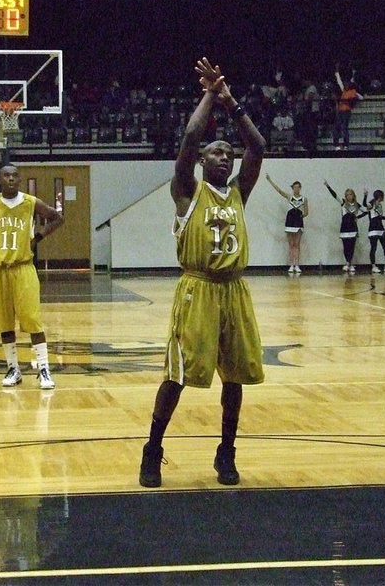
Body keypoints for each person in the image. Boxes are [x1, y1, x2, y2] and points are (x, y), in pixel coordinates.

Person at [139, 58, 266, 488]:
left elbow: (259, 147)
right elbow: (191, 136)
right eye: (218, 151)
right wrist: (211, 93)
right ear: (202, 160)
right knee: (178, 375)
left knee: (235, 376)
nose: (225, 156)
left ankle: (226, 452)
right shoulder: (187, 190)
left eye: (228, 152)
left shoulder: (237, 193)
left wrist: (233, 102)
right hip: (198, 290)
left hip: (234, 291)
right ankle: (153, 449)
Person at [0, 164, 64, 389]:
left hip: (23, 267)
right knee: (4, 323)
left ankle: (44, 369)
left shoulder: (30, 202)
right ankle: (13, 368)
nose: (11, 179)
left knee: (33, 320)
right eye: (6, 175)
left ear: (20, 180)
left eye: (15, 176)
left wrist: (37, 237)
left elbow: (57, 218)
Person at [266, 176, 308, 273]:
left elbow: (306, 212)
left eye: (298, 187)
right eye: (294, 187)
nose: (296, 189)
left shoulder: (304, 199)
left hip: (298, 222)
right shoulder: (289, 197)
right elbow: (279, 191)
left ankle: (297, 265)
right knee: (291, 245)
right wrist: (270, 180)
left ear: (300, 188)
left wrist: (300, 216)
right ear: (292, 188)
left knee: (297, 245)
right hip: (290, 221)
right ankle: (291, 264)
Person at [324, 180, 363, 272]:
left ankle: (351, 263)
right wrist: (328, 186)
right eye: (347, 195)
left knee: (352, 246)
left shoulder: (357, 205)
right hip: (345, 227)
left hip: (353, 227)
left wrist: (357, 217)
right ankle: (347, 262)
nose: (349, 196)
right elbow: (335, 195)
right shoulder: (343, 203)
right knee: (346, 246)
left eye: (350, 194)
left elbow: (365, 211)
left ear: (353, 195)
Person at [361, 189, 385, 273]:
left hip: (380, 228)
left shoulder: (380, 205)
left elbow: (380, 217)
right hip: (373, 229)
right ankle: (373, 266)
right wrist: (365, 195)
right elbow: (364, 204)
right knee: (373, 248)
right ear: (380, 197)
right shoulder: (371, 204)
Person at [333, 64, 363, 150]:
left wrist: (347, 100)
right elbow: (339, 82)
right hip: (340, 111)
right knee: (337, 128)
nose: (345, 85)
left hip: (346, 112)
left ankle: (346, 145)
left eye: (347, 84)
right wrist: (337, 71)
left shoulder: (352, 92)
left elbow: (359, 98)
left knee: (344, 128)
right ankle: (337, 145)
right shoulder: (344, 91)